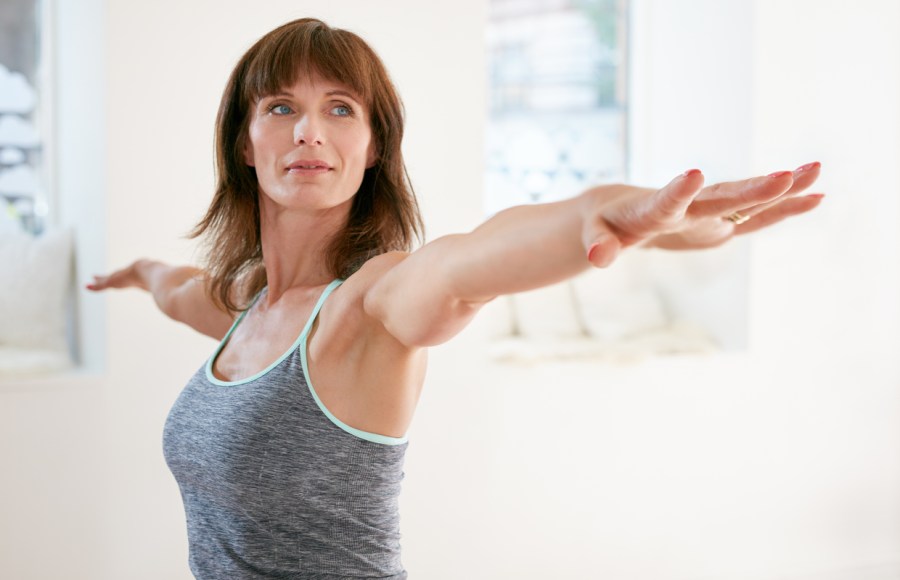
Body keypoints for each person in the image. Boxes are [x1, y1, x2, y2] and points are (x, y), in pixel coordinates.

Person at [87, 17, 824, 580]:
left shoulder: (370, 304)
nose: (310, 132)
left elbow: (469, 261)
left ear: (374, 146)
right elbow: (178, 288)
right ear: (244, 143)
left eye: (340, 109)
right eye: (282, 107)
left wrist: (605, 215)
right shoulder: (248, 305)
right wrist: (137, 272)